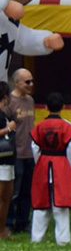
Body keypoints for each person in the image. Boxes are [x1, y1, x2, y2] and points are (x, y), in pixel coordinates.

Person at [30, 92, 71, 244]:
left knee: (41, 203)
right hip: (61, 165)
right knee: (61, 204)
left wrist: (40, 161)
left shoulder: (39, 126)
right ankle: (63, 239)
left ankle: (36, 238)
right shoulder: (68, 127)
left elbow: (34, 147)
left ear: (46, 107)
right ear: (63, 107)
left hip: (43, 164)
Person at [4, 68, 36, 233]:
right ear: (16, 83)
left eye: (31, 81)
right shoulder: (10, 103)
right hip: (16, 153)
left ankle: (23, 222)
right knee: (12, 192)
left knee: (26, 191)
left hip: (30, 153)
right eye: (27, 82)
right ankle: (8, 222)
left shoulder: (30, 100)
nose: (31, 85)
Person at [0, 81, 15, 239]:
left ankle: (2, 228)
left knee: (6, 197)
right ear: (5, 96)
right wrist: (8, 128)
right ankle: (1, 230)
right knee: (3, 197)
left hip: (7, 158)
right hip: (2, 160)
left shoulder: (3, 113)